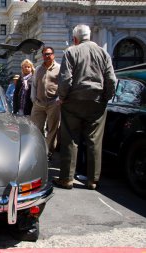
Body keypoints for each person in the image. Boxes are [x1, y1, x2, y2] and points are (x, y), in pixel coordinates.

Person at [53, 24, 116, 190]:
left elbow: (65, 79)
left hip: (73, 101)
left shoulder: (71, 51)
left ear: (75, 38)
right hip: (96, 101)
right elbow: (111, 79)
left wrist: (62, 97)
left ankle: (66, 178)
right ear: (90, 37)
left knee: (70, 139)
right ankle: (93, 180)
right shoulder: (103, 52)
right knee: (94, 140)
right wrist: (106, 97)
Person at [30, 46, 61, 160]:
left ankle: (48, 152)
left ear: (53, 55)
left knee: (52, 129)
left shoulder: (59, 68)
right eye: (45, 54)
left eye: (49, 54)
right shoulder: (38, 69)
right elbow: (34, 85)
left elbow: (63, 84)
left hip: (53, 103)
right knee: (36, 128)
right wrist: (33, 99)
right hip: (38, 103)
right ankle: (40, 149)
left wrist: (59, 99)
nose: (47, 56)